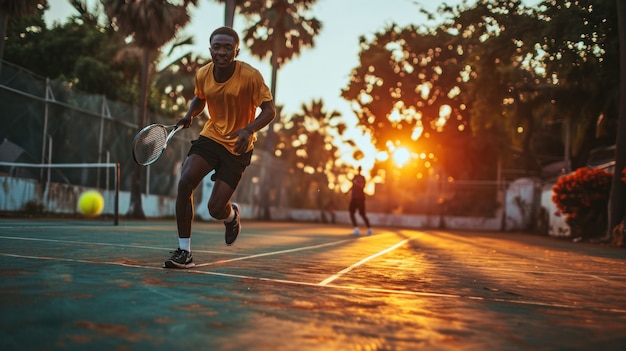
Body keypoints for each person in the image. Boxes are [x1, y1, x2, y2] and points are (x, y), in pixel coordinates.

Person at [164, 26, 276, 269]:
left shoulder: (250, 76)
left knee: (215, 209)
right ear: (210, 50)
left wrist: (248, 129)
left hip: (239, 146)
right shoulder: (203, 74)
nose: (222, 51)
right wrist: (190, 114)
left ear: (236, 50)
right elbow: (200, 97)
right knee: (185, 182)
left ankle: (231, 216)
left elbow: (269, 111)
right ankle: (185, 253)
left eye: (228, 47)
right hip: (212, 138)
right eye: (217, 47)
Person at [349, 166, 372, 235]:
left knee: (362, 214)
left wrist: (357, 183)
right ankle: (356, 229)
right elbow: (352, 186)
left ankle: (369, 228)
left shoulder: (362, 178)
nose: (358, 170)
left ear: (361, 170)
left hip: (360, 198)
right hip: (354, 198)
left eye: (359, 169)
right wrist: (346, 193)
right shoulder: (355, 177)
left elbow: (362, 186)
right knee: (351, 212)